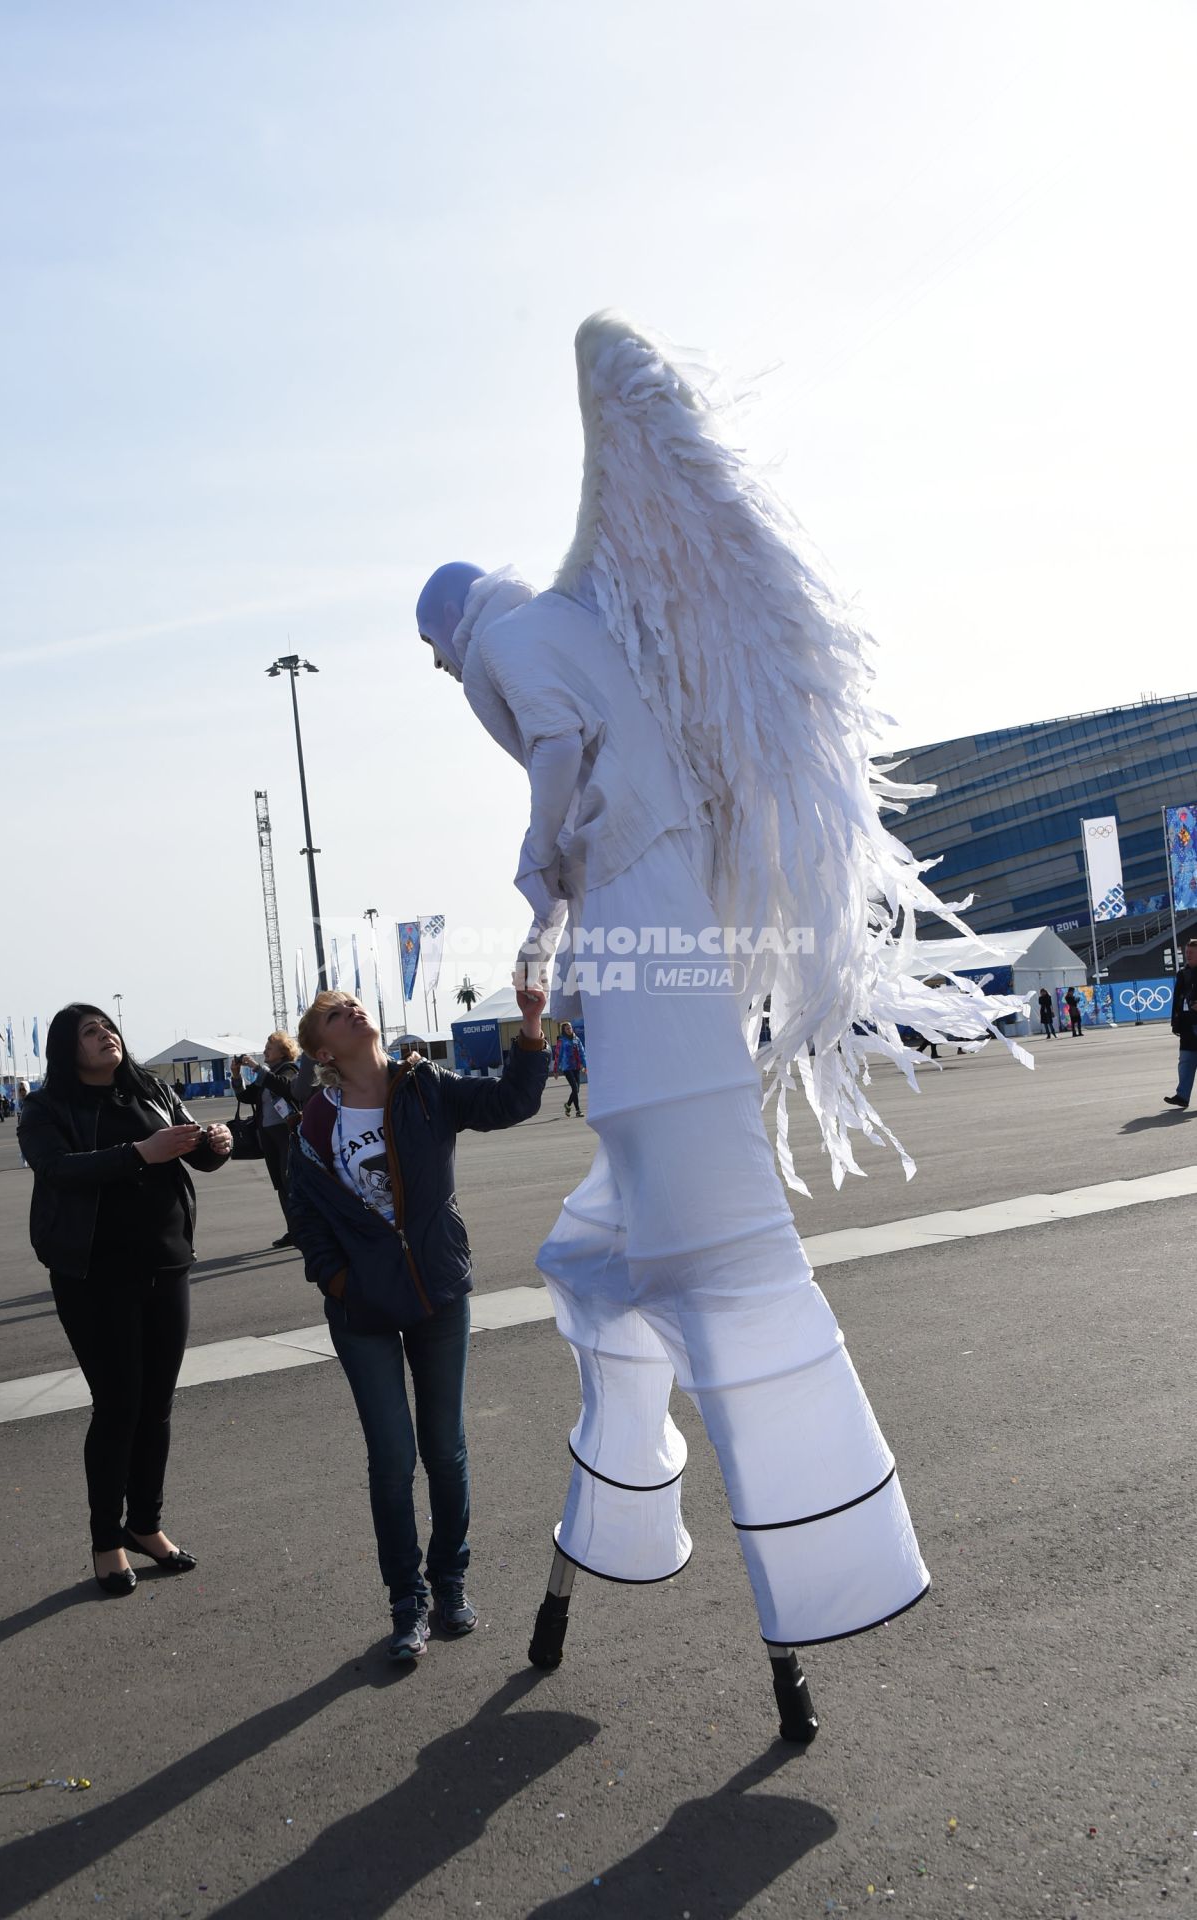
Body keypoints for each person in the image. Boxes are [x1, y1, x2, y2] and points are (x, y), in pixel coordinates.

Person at [416, 312, 1032, 1742]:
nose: (456, 691)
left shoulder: (506, 641)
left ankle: (803, 1597)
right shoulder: (569, 611)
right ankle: (616, 1543)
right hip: (663, 918)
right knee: (616, 1244)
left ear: (444, 637)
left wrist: (534, 894)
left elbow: (562, 754)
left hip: (643, 928)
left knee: (706, 1269)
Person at [285, 985, 550, 1663]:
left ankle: (450, 1581)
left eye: (352, 1004)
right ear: (322, 1050)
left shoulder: (424, 1085)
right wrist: (339, 1280)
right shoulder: (314, 1125)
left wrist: (528, 1027)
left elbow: (511, 1103)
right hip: (361, 1311)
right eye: (334, 1014)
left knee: (445, 1447)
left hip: (438, 1294)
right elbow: (307, 1221)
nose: (352, 1011)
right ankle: (408, 1602)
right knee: (393, 1459)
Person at [19, 1005, 232, 1596]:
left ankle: (146, 1526)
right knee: (118, 1407)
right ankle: (106, 1541)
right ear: (68, 1048)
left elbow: (197, 1154)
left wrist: (216, 1141)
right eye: (90, 1031)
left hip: (167, 1263)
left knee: (156, 1406)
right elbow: (56, 1169)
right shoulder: (45, 1107)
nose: (105, 1036)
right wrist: (142, 1152)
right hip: (93, 1275)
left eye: (108, 1027)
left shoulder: (153, 1090)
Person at [231, 1033, 303, 1248]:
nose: (264, 1052)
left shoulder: (290, 1070)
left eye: (268, 1048)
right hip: (268, 1135)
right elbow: (245, 1097)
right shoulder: (267, 1074)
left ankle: (304, 1229)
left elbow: (283, 1086)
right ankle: (293, 1231)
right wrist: (236, 1076)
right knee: (280, 1184)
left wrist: (254, 1067)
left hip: (286, 1133)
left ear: (283, 1051)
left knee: (290, 1182)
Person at [1164, 937, 1197, 1108]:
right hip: (1186, 1024)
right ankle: (1182, 1096)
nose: (1188, 955)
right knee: (1185, 1061)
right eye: (1187, 953)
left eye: (1191, 953)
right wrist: (1174, 1022)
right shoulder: (1182, 974)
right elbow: (1176, 999)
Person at [554, 1020, 586, 1116]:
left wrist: (585, 1065)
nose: (569, 1029)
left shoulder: (576, 1039)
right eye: (567, 1028)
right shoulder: (561, 1041)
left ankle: (568, 1105)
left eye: (570, 1028)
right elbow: (557, 1055)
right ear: (563, 1030)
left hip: (576, 1066)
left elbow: (582, 1052)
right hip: (567, 1067)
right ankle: (578, 1110)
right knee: (575, 1088)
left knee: (577, 1090)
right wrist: (556, 1070)